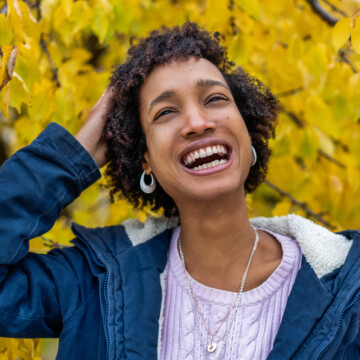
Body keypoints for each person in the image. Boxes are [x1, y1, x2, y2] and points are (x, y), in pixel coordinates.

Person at [0, 22, 359, 360]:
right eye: (166, 112)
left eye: (215, 99)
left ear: (247, 130)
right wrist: (72, 160)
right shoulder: (95, 281)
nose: (198, 123)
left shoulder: (347, 286)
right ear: (145, 161)